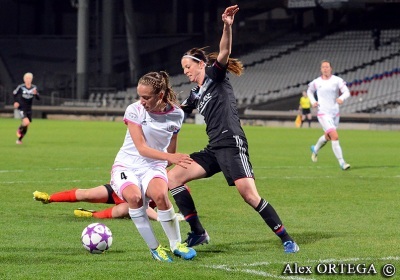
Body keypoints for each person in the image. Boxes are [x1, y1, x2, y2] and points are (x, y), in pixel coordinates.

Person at [167, 5, 299, 254]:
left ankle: (287, 238)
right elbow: (177, 114)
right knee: (172, 178)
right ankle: (198, 233)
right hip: (214, 148)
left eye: (187, 67)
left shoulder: (215, 76)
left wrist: (227, 25)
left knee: (249, 195)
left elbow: (225, 50)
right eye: (183, 68)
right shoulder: (195, 93)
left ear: (200, 64)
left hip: (231, 143)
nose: (185, 72)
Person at [110, 71, 196, 262]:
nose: (141, 101)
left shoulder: (177, 114)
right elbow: (141, 148)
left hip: (154, 164)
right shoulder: (134, 110)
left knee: (160, 195)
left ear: (160, 95)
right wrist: (171, 157)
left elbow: (172, 143)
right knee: (134, 197)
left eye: (146, 97)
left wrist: (166, 164)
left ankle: (176, 244)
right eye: (140, 96)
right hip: (128, 164)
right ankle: (155, 248)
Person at [32, 185, 186, 221]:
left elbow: (144, 207)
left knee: (124, 209)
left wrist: (165, 217)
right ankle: (49, 198)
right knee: (88, 193)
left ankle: (92, 215)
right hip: (120, 189)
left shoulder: (162, 180)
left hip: (133, 202)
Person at [307, 60, 351, 170]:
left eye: (327, 67)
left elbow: (347, 92)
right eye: (323, 67)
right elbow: (309, 91)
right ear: (321, 69)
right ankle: (342, 163)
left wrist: (341, 98)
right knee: (335, 136)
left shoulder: (337, 80)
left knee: (328, 136)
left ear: (331, 68)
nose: (325, 69)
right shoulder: (316, 82)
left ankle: (315, 149)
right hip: (323, 113)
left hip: (335, 113)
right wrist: (313, 101)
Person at [13, 72, 40, 144]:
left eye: (29, 78)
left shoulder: (34, 88)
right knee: (26, 122)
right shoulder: (21, 87)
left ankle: (19, 139)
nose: (28, 80)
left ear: (31, 79)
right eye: (27, 78)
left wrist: (36, 94)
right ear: (24, 79)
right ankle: (19, 129)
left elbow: (38, 98)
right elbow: (14, 94)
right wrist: (16, 102)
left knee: (27, 125)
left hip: (29, 108)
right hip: (22, 107)